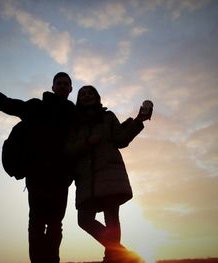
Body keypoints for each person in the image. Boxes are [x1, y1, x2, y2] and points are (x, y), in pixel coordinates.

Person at [0, 65, 75, 263]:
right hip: (37, 176)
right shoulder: (36, 107)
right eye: (58, 82)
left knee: (55, 225)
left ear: (70, 89)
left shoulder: (75, 115)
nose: (61, 85)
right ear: (52, 87)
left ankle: (52, 260)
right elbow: (4, 103)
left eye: (65, 83)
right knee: (36, 223)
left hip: (61, 178)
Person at [65, 85, 152, 263]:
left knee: (111, 217)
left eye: (90, 93)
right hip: (86, 178)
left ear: (97, 97)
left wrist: (139, 120)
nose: (86, 96)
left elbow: (121, 140)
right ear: (78, 99)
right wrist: (88, 142)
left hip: (109, 173)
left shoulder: (107, 116)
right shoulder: (74, 124)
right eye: (82, 94)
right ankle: (122, 254)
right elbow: (70, 150)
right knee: (84, 220)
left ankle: (112, 258)